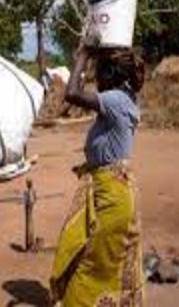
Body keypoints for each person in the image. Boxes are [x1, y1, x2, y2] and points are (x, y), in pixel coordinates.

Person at [50, 45, 146, 307]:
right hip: (113, 191)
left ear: (112, 74)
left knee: (93, 262)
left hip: (113, 197)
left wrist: (83, 54)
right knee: (101, 259)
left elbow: (72, 94)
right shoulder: (124, 100)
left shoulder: (116, 99)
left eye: (100, 72)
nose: (97, 79)